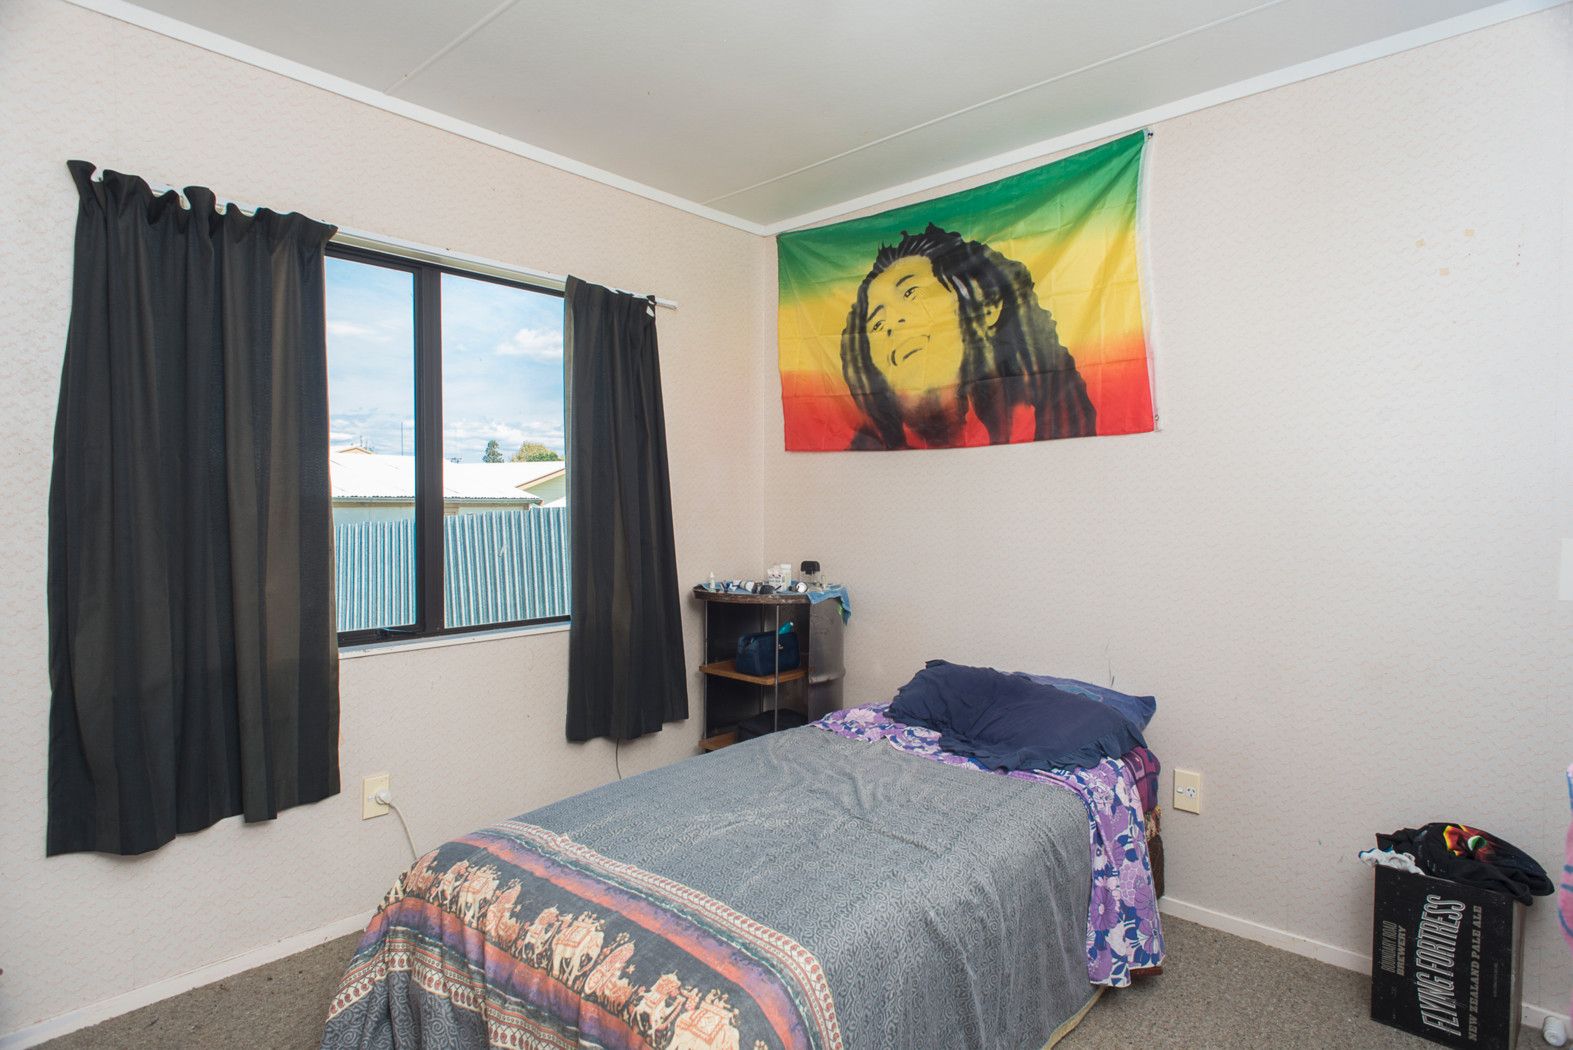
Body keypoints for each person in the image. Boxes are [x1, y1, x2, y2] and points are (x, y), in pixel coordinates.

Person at [839, 223, 1095, 450]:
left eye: (912, 294)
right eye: (877, 324)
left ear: (988, 304)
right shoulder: (872, 449)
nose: (893, 324)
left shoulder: (1061, 424)